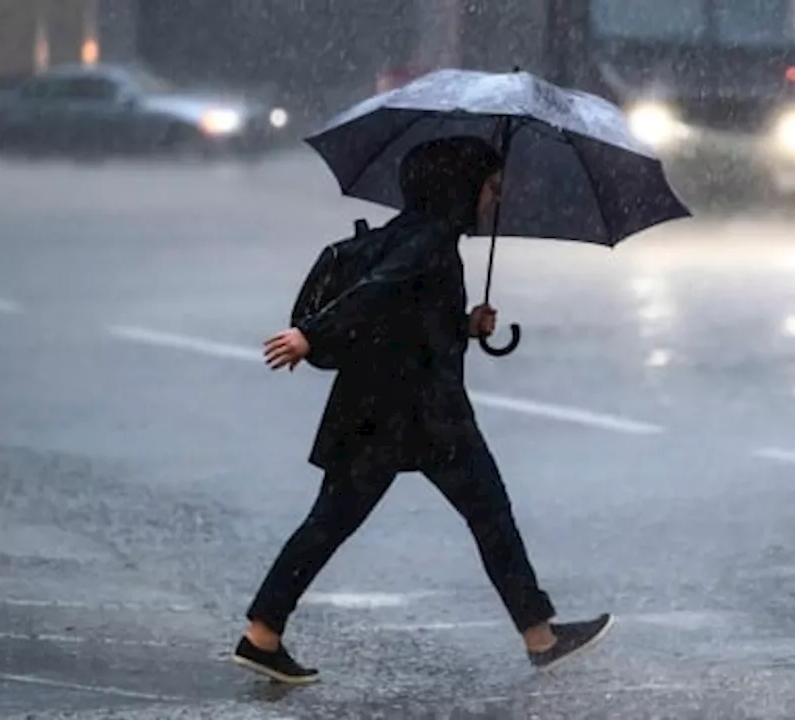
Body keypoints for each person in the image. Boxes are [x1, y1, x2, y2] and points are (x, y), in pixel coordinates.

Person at [231, 137, 613, 685]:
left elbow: (405, 317)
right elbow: (376, 292)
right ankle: (539, 634)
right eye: (489, 188)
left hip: (380, 407)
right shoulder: (430, 243)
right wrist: (310, 336)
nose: (491, 200)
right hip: (422, 412)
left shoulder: (411, 235)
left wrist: (464, 324)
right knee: (486, 515)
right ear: (458, 187)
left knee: (335, 521)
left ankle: (263, 633)